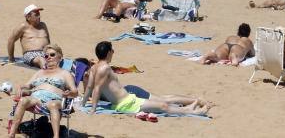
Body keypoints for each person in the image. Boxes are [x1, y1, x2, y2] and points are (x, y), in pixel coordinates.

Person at [84, 41, 212, 116]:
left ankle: (187, 108)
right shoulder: (104, 68)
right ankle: (192, 112)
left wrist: (83, 103)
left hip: (128, 99)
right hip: (126, 104)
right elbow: (96, 88)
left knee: (163, 103)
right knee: (163, 105)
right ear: (108, 53)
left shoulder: (94, 68)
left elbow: (89, 87)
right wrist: (93, 109)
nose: (114, 52)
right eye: (112, 50)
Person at [7, 44, 77, 138]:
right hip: (36, 99)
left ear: (60, 56)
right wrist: (20, 87)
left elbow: (75, 91)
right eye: (46, 56)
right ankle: (12, 133)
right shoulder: (40, 72)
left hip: (55, 99)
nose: (49, 57)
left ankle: (56, 136)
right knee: (23, 100)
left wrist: (70, 93)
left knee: (52, 105)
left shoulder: (64, 73)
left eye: (52, 55)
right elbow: (27, 85)